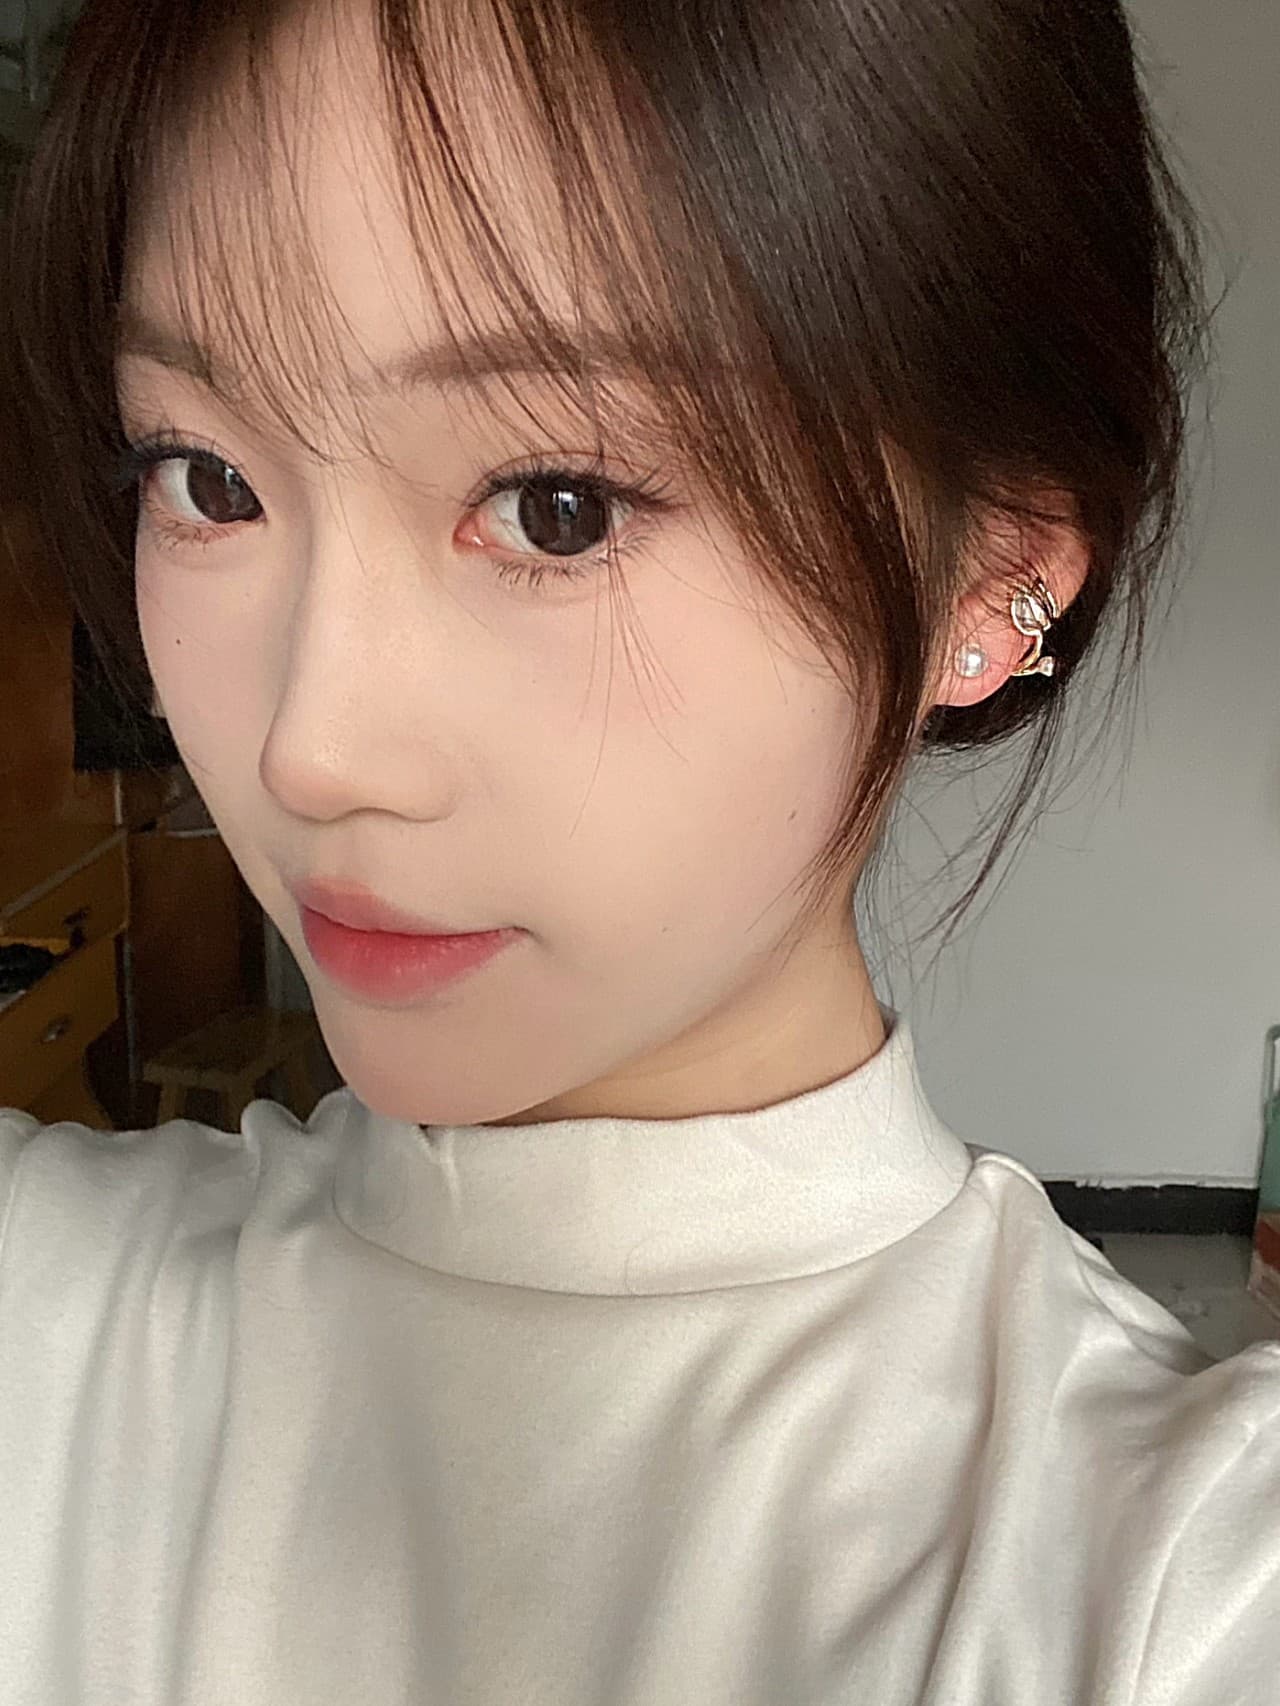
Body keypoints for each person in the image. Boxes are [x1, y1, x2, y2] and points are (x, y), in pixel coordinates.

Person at [1, 0, 1276, 1700]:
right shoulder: (46, 1320)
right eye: (207, 478)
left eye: (560, 505)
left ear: (993, 576)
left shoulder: (1174, 1591)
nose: (312, 745)